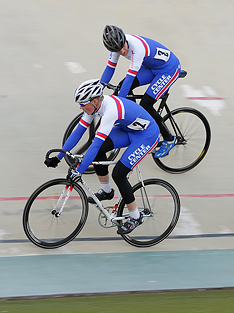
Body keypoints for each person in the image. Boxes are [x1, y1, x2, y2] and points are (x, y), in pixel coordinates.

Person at [46, 79, 162, 235]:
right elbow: (78, 132)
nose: (80, 107)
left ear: (94, 101)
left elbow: (93, 146)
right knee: (99, 149)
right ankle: (107, 191)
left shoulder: (110, 110)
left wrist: (79, 171)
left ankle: (136, 216)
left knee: (119, 174)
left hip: (146, 136)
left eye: (82, 104)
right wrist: (59, 156)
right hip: (128, 130)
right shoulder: (94, 107)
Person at [100, 25, 180, 158]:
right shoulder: (116, 47)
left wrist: (119, 105)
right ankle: (135, 121)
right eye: (117, 50)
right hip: (150, 66)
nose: (122, 51)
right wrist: (99, 88)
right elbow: (110, 69)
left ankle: (169, 139)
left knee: (146, 104)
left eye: (123, 46)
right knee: (121, 87)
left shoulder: (137, 48)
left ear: (124, 39)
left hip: (167, 69)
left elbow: (130, 78)